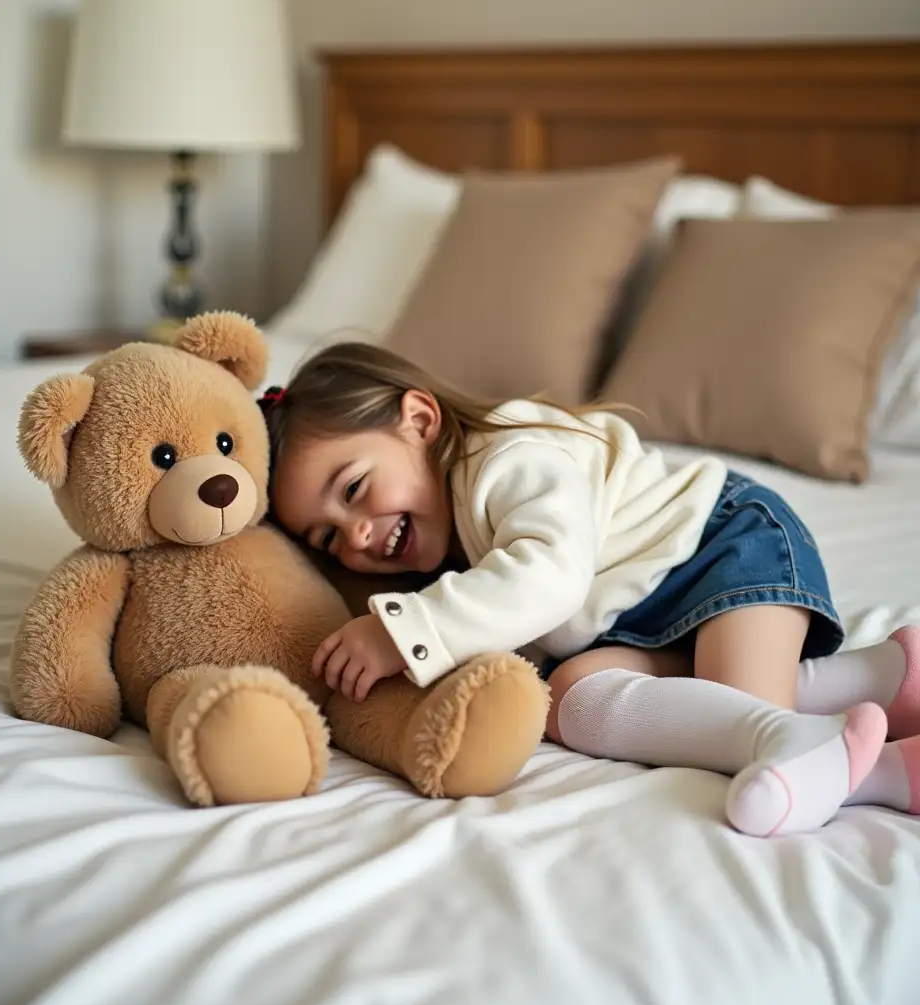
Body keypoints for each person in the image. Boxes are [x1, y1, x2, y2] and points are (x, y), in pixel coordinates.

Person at [258, 343, 920, 837]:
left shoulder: (504, 459)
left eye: (353, 490)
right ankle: (885, 676)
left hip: (720, 547)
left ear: (420, 420)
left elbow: (549, 575)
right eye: (326, 539)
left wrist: (407, 630)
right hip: (641, 617)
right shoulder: (441, 545)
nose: (358, 536)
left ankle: (870, 769)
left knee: (737, 707)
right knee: (570, 697)